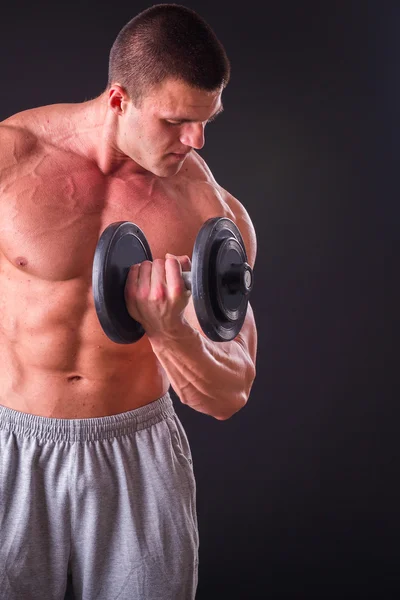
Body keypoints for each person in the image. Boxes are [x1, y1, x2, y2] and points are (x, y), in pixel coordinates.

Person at [0, 4, 257, 599]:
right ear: (119, 100)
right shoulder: (12, 160)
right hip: (10, 449)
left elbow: (230, 391)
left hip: (135, 458)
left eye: (205, 120)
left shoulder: (212, 214)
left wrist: (170, 332)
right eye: (175, 121)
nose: (194, 142)